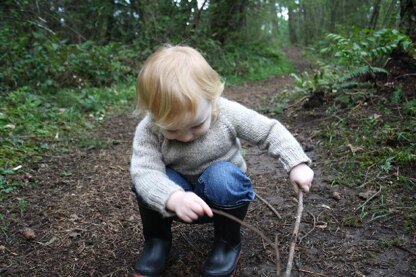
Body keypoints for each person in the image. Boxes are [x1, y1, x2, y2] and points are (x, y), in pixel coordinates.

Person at [130, 44, 314, 277]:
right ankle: (157, 242)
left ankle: (227, 243)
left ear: (212, 98)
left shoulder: (226, 112)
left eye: (196, 125)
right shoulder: (149, 129)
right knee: (145, 184)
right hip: (176, 197)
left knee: (224, 176)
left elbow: (269, 131)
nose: (186, 137)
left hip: (222, 197)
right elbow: (144, 170)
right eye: (174, 131)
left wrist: (296, 163)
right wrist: (172, 197)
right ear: (154, 115)